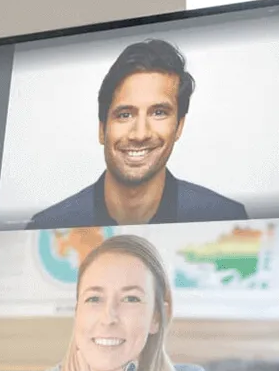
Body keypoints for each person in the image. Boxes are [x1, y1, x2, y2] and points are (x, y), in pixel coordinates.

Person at [4, 235, 214, 371]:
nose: (108, 318)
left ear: (157, 318)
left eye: (131, 299)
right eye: (94, 298)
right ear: (77, 312)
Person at [26, 39, 248, 229]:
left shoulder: (226, 220)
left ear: (179, 126)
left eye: (159, 113)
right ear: (102, 129)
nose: (140, 134)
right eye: (125, 115)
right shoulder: (48, 226)